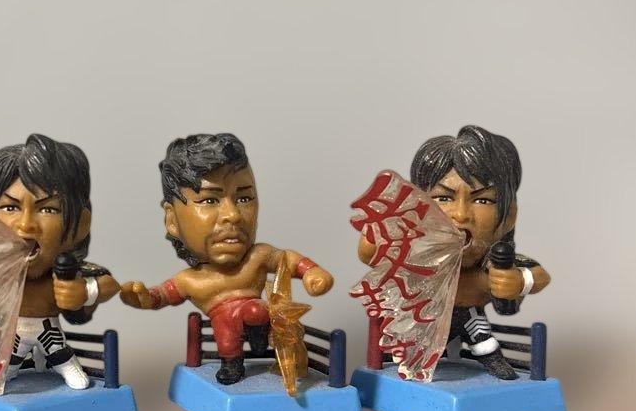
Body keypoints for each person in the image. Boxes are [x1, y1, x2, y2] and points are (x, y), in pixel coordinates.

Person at [119, 133, 333, 385]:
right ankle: (232, 363)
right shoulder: (189, 281)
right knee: (226, 329)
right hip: (225, 325)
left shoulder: (258, 257)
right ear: (172, 219)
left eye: (244, 198)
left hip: (260, 315)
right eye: (209, 200)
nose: (233, 215)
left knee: (256, 310)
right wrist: (144, 298)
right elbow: (162, 295)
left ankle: (260, 337)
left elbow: (287, 260)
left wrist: (311, 271)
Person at [358, 124, 551, 380]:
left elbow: (540, 276)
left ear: (508, 217)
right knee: (402, 356)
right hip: (423, 319)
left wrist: (519, 281)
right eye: (443, 198)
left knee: (482, 339)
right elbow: (370, 255)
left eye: (482, 200)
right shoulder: (418, 250)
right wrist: (378, 235)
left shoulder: (492, 260)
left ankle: (493, 362)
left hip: (470, 316)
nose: (460, 215)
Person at [0, 133, 119, 389]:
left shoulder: (63, 272)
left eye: (48, 209)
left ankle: (67, 368)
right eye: (10, 207)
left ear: (80, 225)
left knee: (60, 354)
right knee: (6, 366)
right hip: (14, 334)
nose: (25, 225)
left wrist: (84, 292)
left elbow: (110, 285)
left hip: (48, 328)